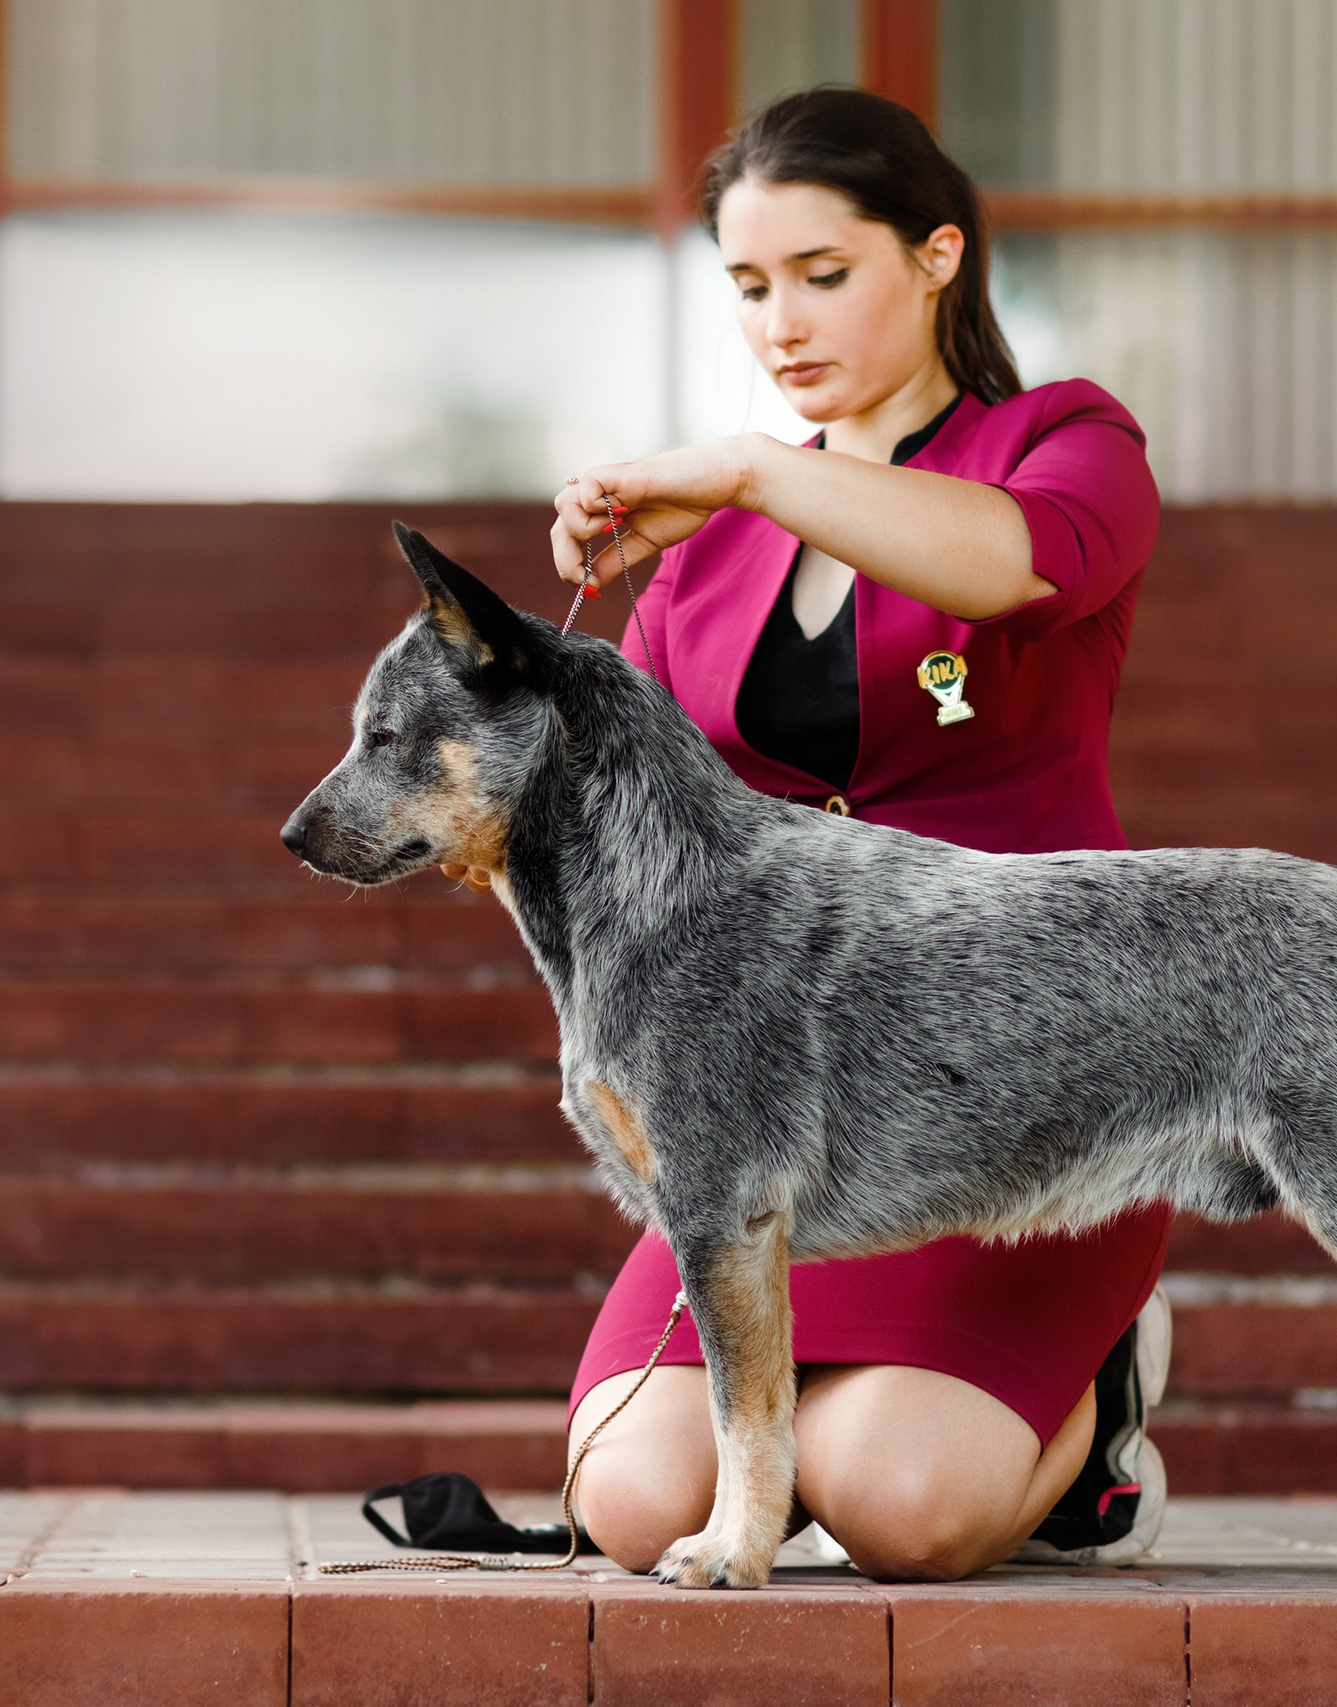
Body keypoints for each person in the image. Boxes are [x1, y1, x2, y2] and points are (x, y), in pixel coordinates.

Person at [516, 86, 1173, 1582]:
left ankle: (1100, 1411)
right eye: (748, 286)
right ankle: (824, 1407)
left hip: (1007, 1084)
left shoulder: (1062, 441)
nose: (779, 323)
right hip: (778, 1097)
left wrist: (751, 465)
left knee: (895, 1504)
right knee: (631, 1511)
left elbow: (1018, 571)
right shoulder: (710, 542)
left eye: (824, 273)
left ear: (937, 255)